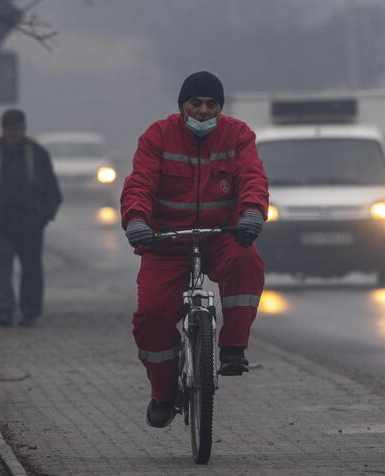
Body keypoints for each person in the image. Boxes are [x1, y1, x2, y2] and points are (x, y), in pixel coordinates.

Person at [120, 71, 269, 428]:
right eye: (195, 103)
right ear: (182, 105)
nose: (203, 111)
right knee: (152, 315)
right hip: (165, 241)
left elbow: (253, 177)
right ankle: (163, 393)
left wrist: (252, 213)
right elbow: (139, 182)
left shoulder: (238, 134)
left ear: (220, 106)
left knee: (246, 263)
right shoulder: (158, 136)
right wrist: (136, 220)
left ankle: (233, 347)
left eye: (211, 104)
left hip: (221, 235)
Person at [0, 109, 62, 327]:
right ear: (3, 129)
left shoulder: (37, 154)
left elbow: (52, 191)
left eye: (17, 129)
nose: (14, 133)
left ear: (24, 128)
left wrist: (43, 216)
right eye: (10, 129)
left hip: (31, 224)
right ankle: (2, 311)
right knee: (2, 265)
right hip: (0, 224)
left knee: (31, 267)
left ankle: (29, 311)